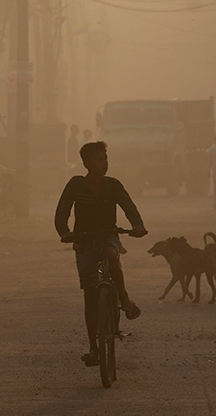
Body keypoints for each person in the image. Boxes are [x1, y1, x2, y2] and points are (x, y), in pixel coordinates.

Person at [55, 141, 148, 367]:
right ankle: (94, 348)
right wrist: (65, 233)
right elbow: (61, 213)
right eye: (98, 159)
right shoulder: (76, 185)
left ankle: (123, 298)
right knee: (90, 297)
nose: (103, 163)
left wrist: (137, 225)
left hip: (108, 235)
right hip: (84, 240)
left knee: (112, 256)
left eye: (105, 159)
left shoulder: (113, 185)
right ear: (86, 163)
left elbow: (129, 207)